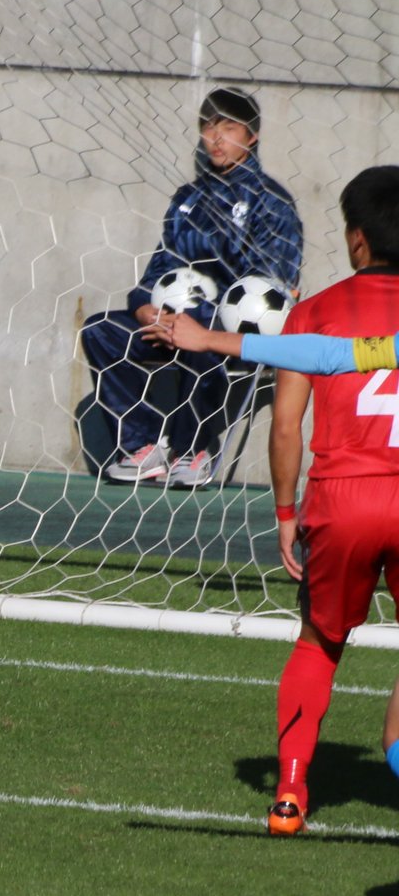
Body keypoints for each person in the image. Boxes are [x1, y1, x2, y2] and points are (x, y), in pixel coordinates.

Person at [154, 166, 399, 833]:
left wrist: (286, 515)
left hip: (344, 497)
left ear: (356, 241)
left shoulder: (319, 314)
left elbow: (289, 421)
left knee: (320, 640)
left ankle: (290, 792)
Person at [80, 87, 301, 489]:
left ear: (252, 136)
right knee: (100, 330)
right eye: (208, 128)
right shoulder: (187, 199)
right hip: (171, 321)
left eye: (229, 128)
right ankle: (143, 447)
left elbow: (270, 284)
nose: (216, 138)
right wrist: (146, 309)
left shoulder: (272, 202)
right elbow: (157, 269)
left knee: (202, 328)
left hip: (229, 331)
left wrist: (198, 321)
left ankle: (192, 451)